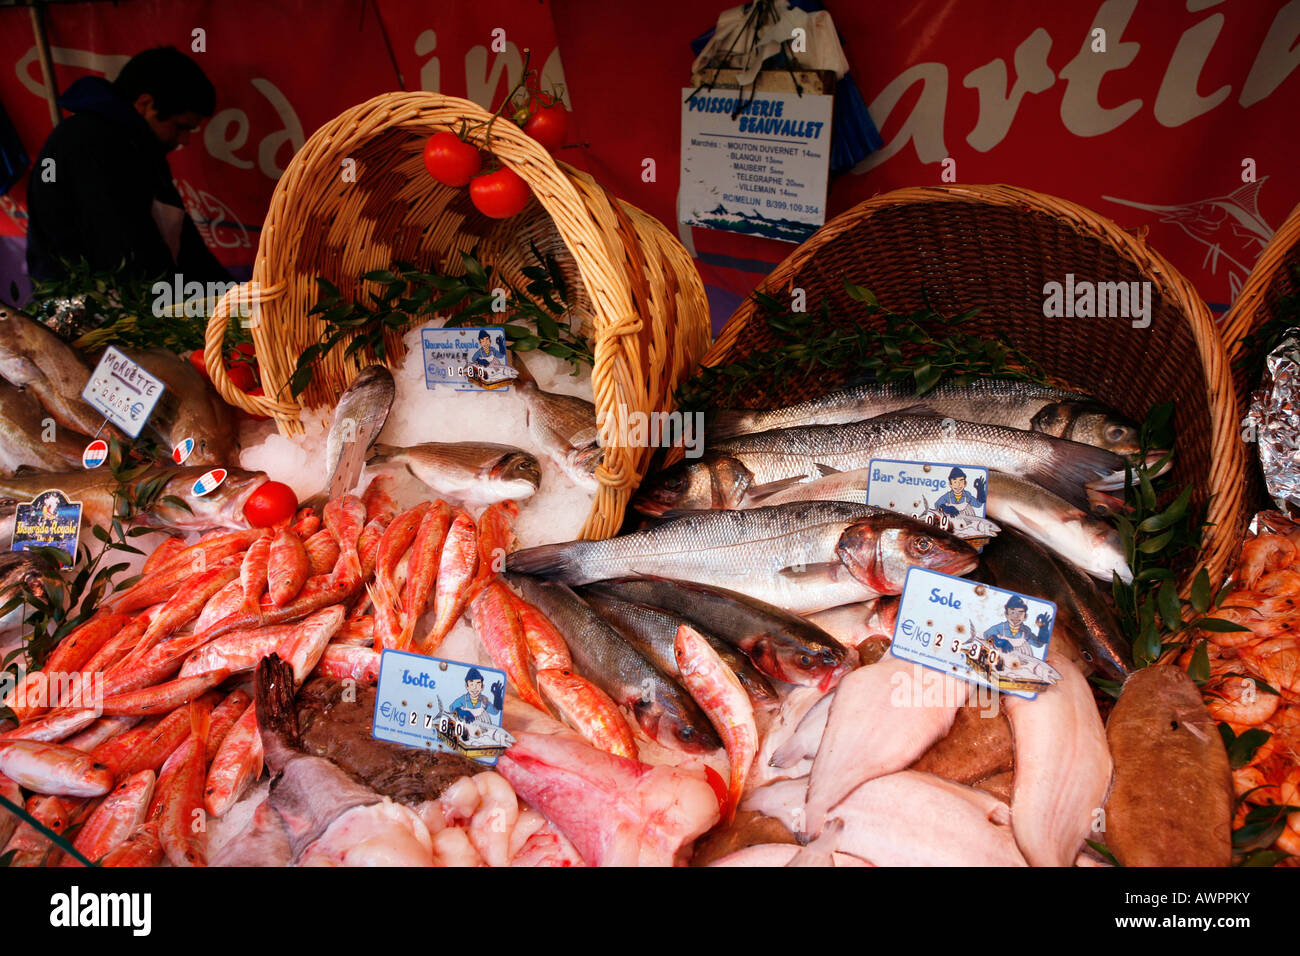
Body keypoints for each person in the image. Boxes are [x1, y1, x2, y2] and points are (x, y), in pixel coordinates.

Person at [25, 46, 230, 285]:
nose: (184, 140)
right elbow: (123, 249)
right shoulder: (87, 142)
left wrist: (233, 297)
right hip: (93, 311)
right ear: (145, 103)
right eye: (180, 127)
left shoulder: (139, 147)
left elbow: (185, 245)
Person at [983, 595, 1050, 657]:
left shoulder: (1026, 631)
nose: (1016, 616)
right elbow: (986, 634)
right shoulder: (1000, 628)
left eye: (1020, 612)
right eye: (1012, 612)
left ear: (1025, 616)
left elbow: (1038, 644)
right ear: (1006, 614)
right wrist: (997, 640)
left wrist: (1044, 629)